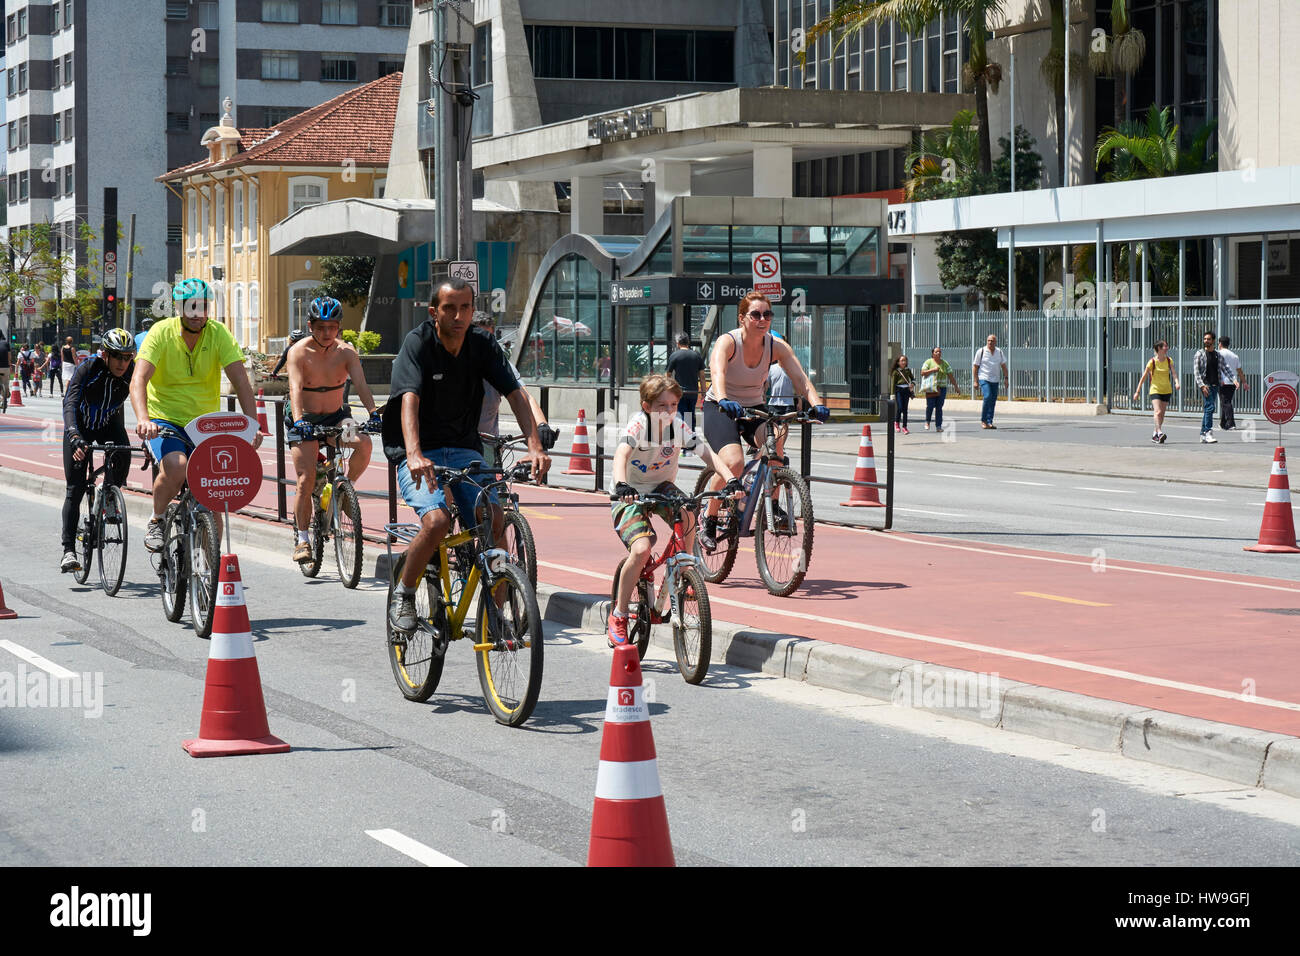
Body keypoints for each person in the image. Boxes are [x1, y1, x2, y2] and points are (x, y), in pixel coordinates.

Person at [383, 277, 551, 633]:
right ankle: (405, 592)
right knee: (437, 521)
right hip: (418, 451)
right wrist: (413, 453)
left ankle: (496, 614)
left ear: (473, 310)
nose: (458, 315)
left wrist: (534, 443)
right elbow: (408, 400)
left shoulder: (482, 344)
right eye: (449, 308)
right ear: (434, 312)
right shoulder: (418, 343)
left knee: (491, 514)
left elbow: (516, 394)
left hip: (463, 448)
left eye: (465, 307)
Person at [129, 278, 264, 552]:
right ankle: (157, 518)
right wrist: (144, 419)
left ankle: (209, 567)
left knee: (214, 500)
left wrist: (253, 425)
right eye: (189, 307)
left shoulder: (218, 333)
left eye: (202, 307)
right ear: (179, 308)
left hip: (205, 425)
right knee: (177, 465)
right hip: (165, 419)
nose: (196, 314)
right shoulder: (161, 332)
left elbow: (240, 382)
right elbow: (138, 380)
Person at [698, 292, 829, 551]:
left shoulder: (775, 345)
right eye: (756, 314)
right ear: (742, 318)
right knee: (733, 463)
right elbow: (717, 372)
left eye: (767, 314)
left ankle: (775, 502)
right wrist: (724, 398)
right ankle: (709, 517)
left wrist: (817, 404)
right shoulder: (728, 342)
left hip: (754, 407)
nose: (762, 319)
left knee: (778, 436)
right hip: (721, 408)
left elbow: (800, 378)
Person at [608, 373, 731, 647]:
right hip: (629, 492)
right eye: (662, 406)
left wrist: (730, 478)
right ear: (647, 406)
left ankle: (684, 569)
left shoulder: (678, 427)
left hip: (662, 487)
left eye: (673, 405)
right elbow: (621, 455)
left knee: (688, 513)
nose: (669, 411)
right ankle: (618, 614)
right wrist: (621, 484)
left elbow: (708, 455)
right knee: (641, 549)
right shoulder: (639, 425)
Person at [284, 296, 382, 564]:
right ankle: (302, 539)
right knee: (305, 480)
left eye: (332, 327)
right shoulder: (299, 352)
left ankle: (344, 489)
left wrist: (373, 413)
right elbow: (294, 388)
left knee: (363, 443)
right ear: (310, 325)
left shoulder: (347, 352)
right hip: (304, 418)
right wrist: (299, 419)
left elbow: (361, 385)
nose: (326, 333)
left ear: (339, 327)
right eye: (320, 327)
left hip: (337, 418)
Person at [58, 329, 136, 573]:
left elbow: (147, 397)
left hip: (107, 424)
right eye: (118, 357)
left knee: (125, 451)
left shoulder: (131, 372)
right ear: (105, 355)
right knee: (75, 488)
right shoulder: (89, 368)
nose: (123, 363)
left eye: (127, 357)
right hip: (80, 426)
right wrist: (74, 436)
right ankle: (68, 550)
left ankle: (110, 493)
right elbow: (69, 402)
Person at [471, 312, 556, 465]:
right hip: (458, 445)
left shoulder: (499, 365)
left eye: (490, 338)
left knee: (493, 485)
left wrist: (541, 425)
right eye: (480, 338)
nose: (485, 344)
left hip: (489, 445)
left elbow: (524, 397)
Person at [1132, 340, 1179, 443]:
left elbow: (1174, 373)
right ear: (1159, 349)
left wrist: (1176, 382)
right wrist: (1137, 391)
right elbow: (1143, 377)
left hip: (1166, 390)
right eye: (1165, 346)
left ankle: (1155, 434)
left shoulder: (1168, 360)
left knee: (1161, 414)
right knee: (1157, 412)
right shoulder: (1152, 362)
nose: (1167, 348)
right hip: (1155, 390)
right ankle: (1160, 432)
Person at [665, 332, 706, 432]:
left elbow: (667, 375)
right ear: (688, 342)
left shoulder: (674, 356)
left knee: (681, 415)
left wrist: (668, 390)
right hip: (693, 392)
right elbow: (702, 376)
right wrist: (704, 392)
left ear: (678, 343)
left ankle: (683, 439)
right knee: (691, 415)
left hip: (680, 392)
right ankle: (691, 439)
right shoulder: (696, 356)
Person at [972, 334, 1008, 429]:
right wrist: (975, 381)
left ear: (995, 342)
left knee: (992, 400)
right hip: (984, 378)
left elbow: (1004, 366)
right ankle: (983, 420)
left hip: (995, 380)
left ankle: (989, 421)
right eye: (988, 340)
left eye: (992, 341)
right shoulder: (981, 351)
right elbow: (975, 367)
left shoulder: (999, 352)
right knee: (987, 396)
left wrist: (1006, 379)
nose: (990, 342)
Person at [919, 346, 959, 432]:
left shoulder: (944, 363)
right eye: (936, 352)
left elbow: (950, 376)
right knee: (930, 406)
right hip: (931, 387)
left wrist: (956, 386)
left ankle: (938, 426)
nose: (938, 353)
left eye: (940, 352)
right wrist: (933, 370)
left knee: (939, 407)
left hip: (942, 388)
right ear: (932, 354)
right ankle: (927, 421)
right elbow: (922, 372)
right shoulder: (928, 362)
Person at [1193, 330, 1221, 444]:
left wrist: (1234, 379)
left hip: (1215, 385)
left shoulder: (1216, 354)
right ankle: (1208, 432)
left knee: (1207, 409)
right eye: (1205, 339)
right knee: (1210, 408)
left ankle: (1202, 434)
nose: (1206, 341)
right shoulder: (1199, 354)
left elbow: (1223, 368)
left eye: (1208, 339)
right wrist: (1202, 385)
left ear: (1213, 341)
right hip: (1206, 385)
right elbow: (1196, 372)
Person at [1217, 335, 1247, 431]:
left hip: (1222, 381)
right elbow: (1239, 371)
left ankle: (1231, 423)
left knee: (1225, 402)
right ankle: (1223, 423)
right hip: (1233, 382)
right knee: (1226, 401)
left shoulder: (1218, 354)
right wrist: (1244, 382)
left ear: (1220, 344)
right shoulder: (1234, 356)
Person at [889, 354, 917, 434]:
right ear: (898, 362)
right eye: (902, 360)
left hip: (906, 391)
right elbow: (893, 384)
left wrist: (913, 384)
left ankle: (905, 427)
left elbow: (913, 379)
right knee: (900, 408)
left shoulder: (908, 370)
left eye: (905, 360)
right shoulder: (896, 372)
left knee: (905, 410)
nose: (904, 362)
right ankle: (896, 423)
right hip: (899, 390)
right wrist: (892, 394)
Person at [0, 332, 11, 412]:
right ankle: (5, 399)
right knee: (5, 384)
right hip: (5, 367)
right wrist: (9, 365)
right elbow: (9, 356)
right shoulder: (6, 343)